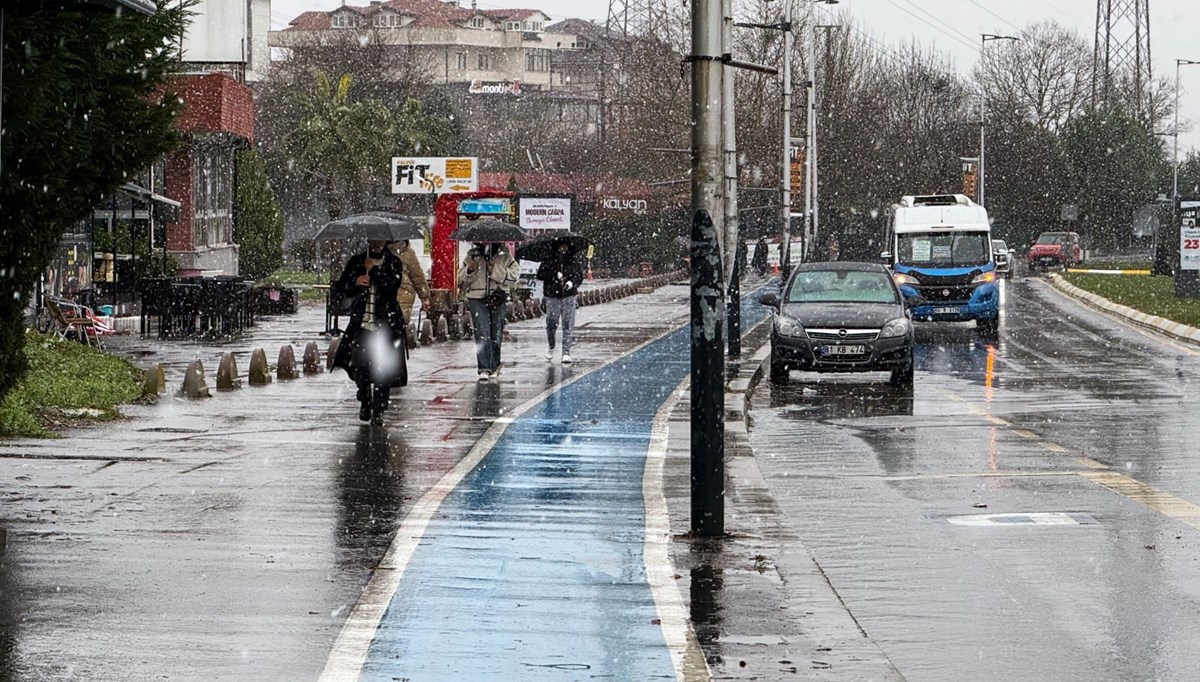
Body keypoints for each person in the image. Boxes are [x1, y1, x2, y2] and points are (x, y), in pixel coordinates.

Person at [331, 239, 408, 426]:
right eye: (373, 239)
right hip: (362, 324)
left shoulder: (393, 262)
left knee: (382, 368)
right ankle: (364, 399)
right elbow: (341, 288)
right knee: (360, 365)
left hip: (385, 325)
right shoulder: (357, 262)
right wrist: (355, 282)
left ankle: (379, 409)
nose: (376, 243)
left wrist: (373, 271)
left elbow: (391, 288)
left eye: (380, 239)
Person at [458, 242, 519, 381]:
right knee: (482, 332)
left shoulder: (505, 256)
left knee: (495, 334)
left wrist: (496, 270)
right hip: (476, 298)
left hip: (497, 297)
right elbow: (461, 279)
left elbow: (515, 276)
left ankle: (495, 365)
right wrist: (470, 269)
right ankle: (484, 368)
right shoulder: (472, 255)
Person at [536, 241, 585, 364]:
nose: (563, 249)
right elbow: (540, 274)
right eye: (561, 246)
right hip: (552, 296)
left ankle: (566, 352)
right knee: (552, 323)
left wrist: (571, 283)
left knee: (568, 324)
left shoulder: (573, 261)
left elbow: (579, 276)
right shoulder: (548, 260)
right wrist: (554, 274)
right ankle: (551, 345)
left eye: (566, 246)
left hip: (569, 296)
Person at [387, 239, 431, 348]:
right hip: (393, 298)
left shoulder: (406, 252)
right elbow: (418, 276)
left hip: (400, 299)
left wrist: (424, 296)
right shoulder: (376, 252)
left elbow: (417, 276)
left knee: (392, 335)